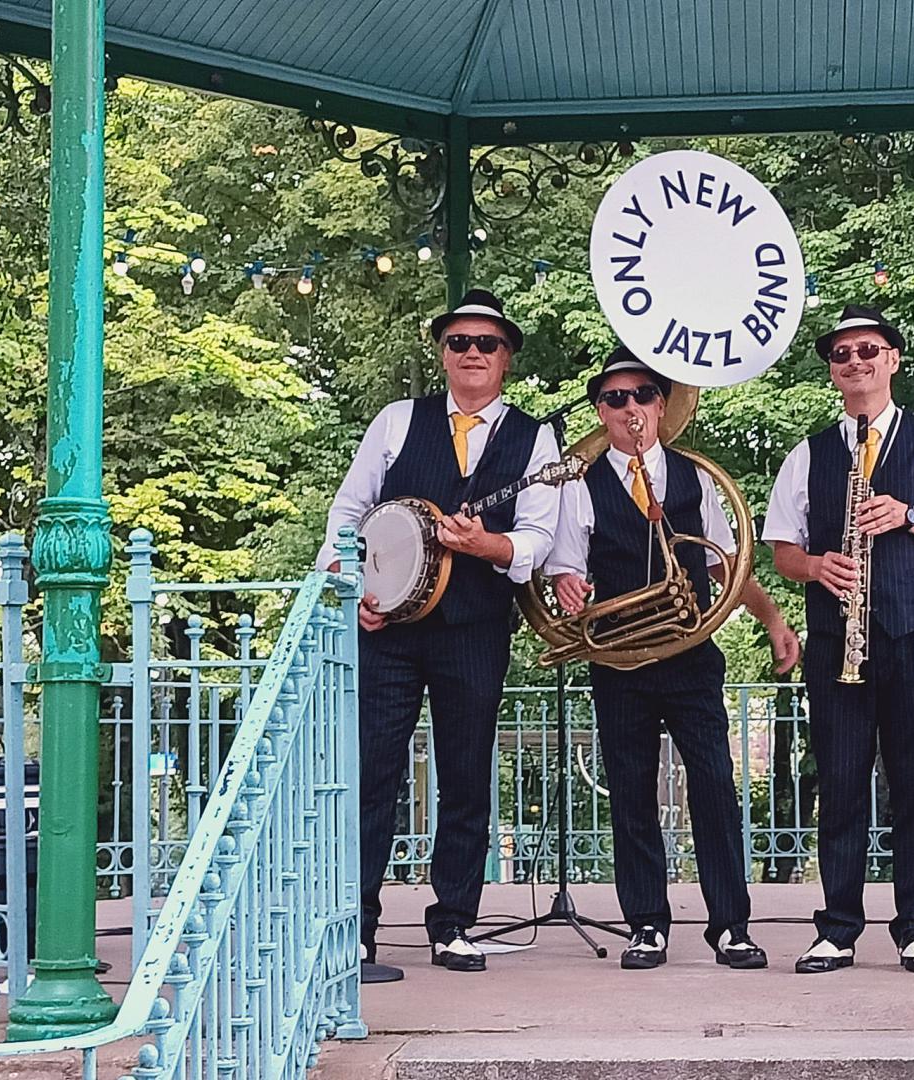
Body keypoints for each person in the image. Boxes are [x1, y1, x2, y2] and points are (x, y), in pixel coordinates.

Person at [317, 289, 560, 978]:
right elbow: (349, 512)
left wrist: (486, 545)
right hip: (388, 627)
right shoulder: (398, 421)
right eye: (460, 343)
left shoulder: (535, 439)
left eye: (487, 344)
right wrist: (355, 587)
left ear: (506, 358)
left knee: (465, 777)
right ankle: (355, 927)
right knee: (372, 774)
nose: (473, 354)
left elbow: (537, 540)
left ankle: (453, 921)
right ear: (443, 354)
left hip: (474, 629)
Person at [545, 347, 801, 971]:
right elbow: (564, 566)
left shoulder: (694, 478)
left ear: (661, 405)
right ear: (600, 412)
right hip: (620, 659)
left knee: (715, 786)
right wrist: (566, 584)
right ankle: (646, 926)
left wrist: (772, 620)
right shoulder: (578, 487)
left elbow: (726, 565)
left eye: (641, 396)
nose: (629, 409)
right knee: (630, 792)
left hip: (690, 656)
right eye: (614, 399)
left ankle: (731, 927)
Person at [763, 305, 914, 975]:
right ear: (833, 371)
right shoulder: (809, 453)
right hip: (839, 635)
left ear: (893, 358)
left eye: (869, 349)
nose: (855, 361)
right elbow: (781, 550)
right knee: (837, 782)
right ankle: (836, 929)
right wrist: (815, 566)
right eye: (842, 354)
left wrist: (909, 513)